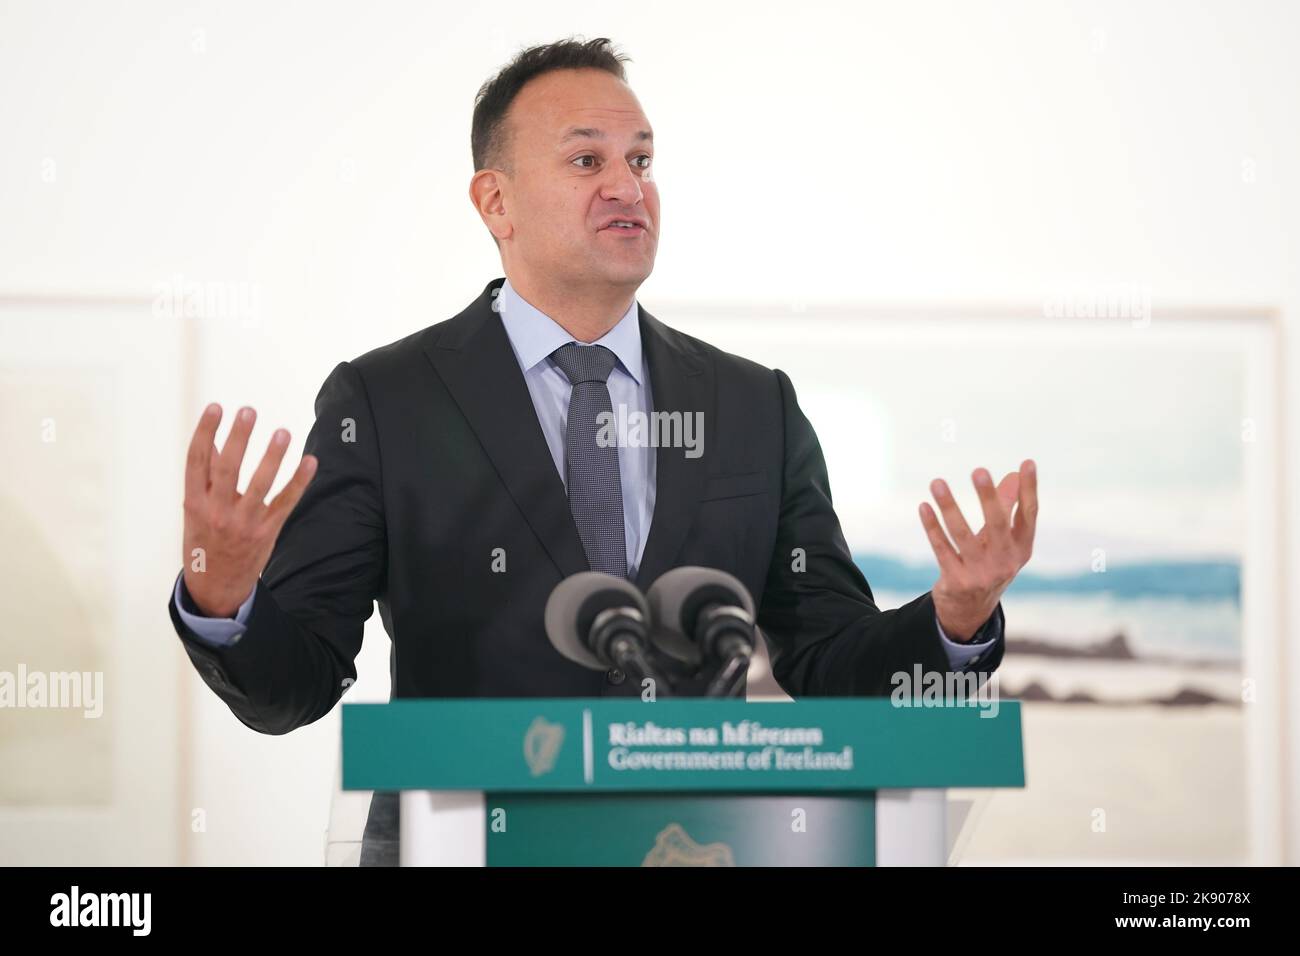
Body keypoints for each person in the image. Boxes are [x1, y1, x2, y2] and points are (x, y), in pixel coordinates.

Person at [168, 37, 1039, 865]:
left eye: (642, 160)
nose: (628, 186)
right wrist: (225, 592)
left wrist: (954, 620)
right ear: (495, 201)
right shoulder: (387, 400)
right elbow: (296, 686)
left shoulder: (750, 404)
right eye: (588, 161)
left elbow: (829, 662)